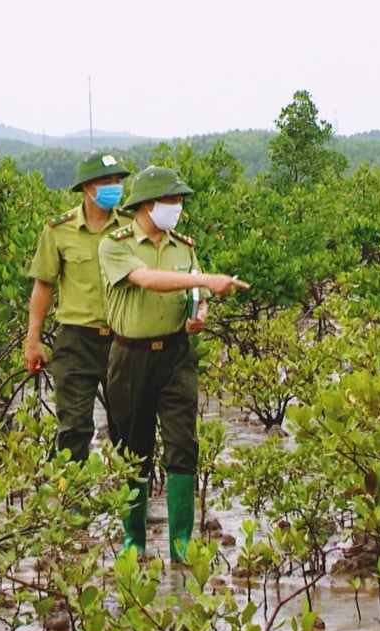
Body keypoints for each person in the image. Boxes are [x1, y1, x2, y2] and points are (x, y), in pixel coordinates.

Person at [98, 165, 249, 562]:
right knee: (134, 450)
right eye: (172, 200)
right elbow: (147, 279)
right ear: (148, 204)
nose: (178, 207)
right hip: (130, 357)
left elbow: (193, 295)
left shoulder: (184, 246)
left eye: (180, 200)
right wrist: (204, 281)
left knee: (183, 446)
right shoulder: (116, 244)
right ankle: (134, 542)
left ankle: (181, 546)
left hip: (177, 356)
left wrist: (199, 313)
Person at [24, 152, 131, 462]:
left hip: (123, 340)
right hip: (76, 340)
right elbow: (43, 284)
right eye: (106, 182)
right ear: (87, 187)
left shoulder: (130, 226)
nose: (114, 187)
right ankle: (74, 505)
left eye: (117, 181)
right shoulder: (60, 230)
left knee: (129, 426)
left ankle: (133, 508)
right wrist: (33, 341)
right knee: (73, 428)